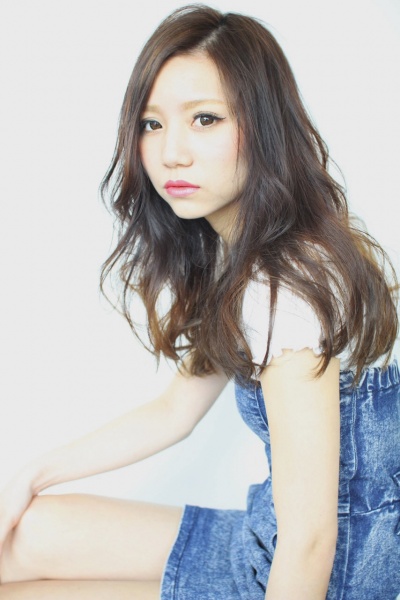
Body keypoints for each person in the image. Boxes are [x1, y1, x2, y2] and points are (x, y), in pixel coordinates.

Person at [0, 4, 399, 599]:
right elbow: (174, 412)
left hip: (324, 576)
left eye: (205, 119)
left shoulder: (284, 285)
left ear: (264, 126)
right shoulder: (249, 256)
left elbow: (312, 540)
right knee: (21, 534)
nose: (171, 153)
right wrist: (30, 475)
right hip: (272, 539)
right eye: (151, 124)